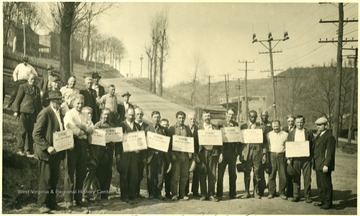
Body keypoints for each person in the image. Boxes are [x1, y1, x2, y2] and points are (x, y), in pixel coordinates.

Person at [32, 90, 64, 213]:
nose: (60, 102)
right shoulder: (45, 113)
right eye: (57, 100)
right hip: (46, 153)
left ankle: (52, 202)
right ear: (52, 101)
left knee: (54, 178)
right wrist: (47, 147)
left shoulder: (58, 113)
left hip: (56, 152)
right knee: (45, 179)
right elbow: (36, 134)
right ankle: (42, 204)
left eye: (60, 100)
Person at [63, 95, 95, 208]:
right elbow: (70, 127)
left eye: (81, 103)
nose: (80, 105)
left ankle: (78, 198)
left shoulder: (85, 114)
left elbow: (92, 128)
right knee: (70, 172)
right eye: (78, 103)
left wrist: (83, 126)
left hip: (83, 145)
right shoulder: (69, 114)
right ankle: (68, 199)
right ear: (73, 103)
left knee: (81, 172)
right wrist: (82, 131)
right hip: (73, 143)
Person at [83, 108, 115, 202]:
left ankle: (105, 195)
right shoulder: (97, 125)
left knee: (107, 173)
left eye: (108, 115)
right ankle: (97, 194)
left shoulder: (112, 126)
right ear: (101, 115)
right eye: (105, 114)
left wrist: (113, 141)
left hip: (108, 152)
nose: (106, 116)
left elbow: (115, 138)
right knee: (98, 173)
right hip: (99, 151)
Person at [115, 107, 141, 203]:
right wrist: (117, 154)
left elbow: (140, 139)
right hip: (124, 154)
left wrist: (139, 148)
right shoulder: (121, 125)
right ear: (126, 115)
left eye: (133, 115)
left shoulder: (137, 126)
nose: (131, 116)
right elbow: (117, 141)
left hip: (134, 154)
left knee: (134, 174)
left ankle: (132, 195)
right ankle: (124, 195)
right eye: (130, 115)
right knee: (124, 174)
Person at [286, 115, 314, 203]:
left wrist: (311, 157)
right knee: (295, 177)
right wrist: (289, 157)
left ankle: (307, 196)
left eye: (301, 122)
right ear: (295, 123)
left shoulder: (308, 132)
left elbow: (312, 145)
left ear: (304, 122)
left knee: (307, 178)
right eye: (297, 122)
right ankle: (296, 195)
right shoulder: (291, 133)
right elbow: (288, 145)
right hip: (295, 159)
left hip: (306, 159)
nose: (299, 124)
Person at [240, 110, 267, 199]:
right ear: (248, 117)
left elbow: (264, 142)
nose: (253, 118)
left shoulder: (260, 127)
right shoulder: (243, 127)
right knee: (247, 172)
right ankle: (247, 192)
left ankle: (255, 192)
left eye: (255, 117)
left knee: (257, 172)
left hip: (257, 152)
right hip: (247, 152)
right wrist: (240, 154)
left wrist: (263, 154)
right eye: (251, 116)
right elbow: (240, 142)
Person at [13, 74, 42, 157]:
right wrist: (16, 110)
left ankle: (29, 150)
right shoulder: (23, 87)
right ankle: (20, 149)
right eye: (32, 79)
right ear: (28, 79)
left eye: (34, 79)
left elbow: (39, 103)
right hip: (23, 113)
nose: (33, 81)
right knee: (23, 131)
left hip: (33, 114)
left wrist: (39, 114)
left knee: (30, 132)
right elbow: (18, 99)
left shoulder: (37, 89)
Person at [168, 111, 193, 201]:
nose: (181, 119)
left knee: (184, 176)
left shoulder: (187, 128)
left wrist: (190, 153)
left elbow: (190, 140)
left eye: (183, 118)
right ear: (176, 118)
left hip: (185, 156)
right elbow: (169, 143)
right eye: (179, 117)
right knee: (175, 176)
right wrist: (172, 154)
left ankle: (182, 194)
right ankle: (174, 194)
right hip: (176, 156)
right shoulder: (172, 128)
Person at [145, 111, 169, 199]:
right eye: (155, 117)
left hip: (160, 156)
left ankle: (158, 193)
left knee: (160, 175)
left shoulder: (163, 130)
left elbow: (167, 142)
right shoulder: (147, 129)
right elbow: (144, 143)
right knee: (150, 175)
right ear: (152, 118)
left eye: (158, 117)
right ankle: (151, 193)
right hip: (151, 156)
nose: (157, 119)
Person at [313, 117, 336, 210]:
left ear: (326, 125)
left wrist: (326, 164)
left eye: (320, 125)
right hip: (318, 164)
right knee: (320, 184)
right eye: (317, 125)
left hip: (324, 165)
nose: (318, 127)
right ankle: (322, 200)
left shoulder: (329, 136)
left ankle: (328, 203)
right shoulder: (319, 136)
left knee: (326, 184)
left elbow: (330, 153)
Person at [216, 108, 239, 200]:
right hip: (223, 152)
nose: (231, 117)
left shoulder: (236, 125)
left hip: (232, 153)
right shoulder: (220, 124)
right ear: (226, 114)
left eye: (232, 115)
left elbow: (237, 138)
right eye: (229, 114)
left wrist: (237, 152)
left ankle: (232, 193)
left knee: (232, 174)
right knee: (220, 174)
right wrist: (220, 153)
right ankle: (219, 193)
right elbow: (217, 139)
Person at [198, 111, 220, 202]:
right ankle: (203, 194)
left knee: (212, 174)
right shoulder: (199, 128)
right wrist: (196, 154)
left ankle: (211, 194)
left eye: (208, 116)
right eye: (205, 116)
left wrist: (220, 153)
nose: (207, 118)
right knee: (203, 173)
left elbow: (219, 142)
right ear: (202, 117)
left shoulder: (215, 128)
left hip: (213, 153)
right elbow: (195, 141)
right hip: (202, 153)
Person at [266, 120, 288, 200]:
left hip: (281, 155)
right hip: (272, 155)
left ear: (280, 125)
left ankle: (282, 192)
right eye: (274, 126)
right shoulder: (268, 135)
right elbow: (267, 146)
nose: (276, 128)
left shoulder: (285, 134)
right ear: (272, 126)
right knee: (271, 174)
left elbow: (287, 146)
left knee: (282, 174)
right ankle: (272, 192)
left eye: (277, 126)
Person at [134, 107, 149, 199]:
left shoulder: (147, 126)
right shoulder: (132, 125)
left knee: (140, 173)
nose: (139, 116)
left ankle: (137, 192)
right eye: (137, 114)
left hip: (143, 153)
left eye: (141, 114)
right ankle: (131, 192)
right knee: (132, 173)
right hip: (133, 153)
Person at [186, 113, 200, 197]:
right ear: (188, 120)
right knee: (186, 172)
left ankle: (195, 191)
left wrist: (197, 154)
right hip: (187, 154)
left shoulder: (198, 129)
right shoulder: (185, 128)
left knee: (196, 172)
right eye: (191, 119)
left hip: (196, 153)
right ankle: (186, 191)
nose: (193, 120)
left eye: (194, 119)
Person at [259, 111, 272, 196]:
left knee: (269, 169)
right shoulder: (258, 125)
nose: (264, 117)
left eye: (266, 115)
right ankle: (261, 188)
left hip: (269, 149)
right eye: (263, 115)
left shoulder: (271, 125)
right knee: (260, 169)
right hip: (260, 149)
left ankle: (270, 188)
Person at [282, 114, 295, 198]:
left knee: (293, 172)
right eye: (289, 121)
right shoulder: (284, 129)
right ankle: (287, 190)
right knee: (286, 172)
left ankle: (294, 191)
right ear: (287, 122)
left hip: (294, 153)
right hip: (285, 154)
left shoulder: (297, 130)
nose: (290, 123)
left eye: (292, 121)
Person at [160, 118, 172, 199]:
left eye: (166, 125)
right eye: (163, 125)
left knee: (169, 175)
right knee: (160, 176)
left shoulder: (170, 134)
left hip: (169, 157)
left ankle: (168, 192)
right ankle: (159, 192)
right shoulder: (159, 133)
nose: (165, 126)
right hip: (160, 157)